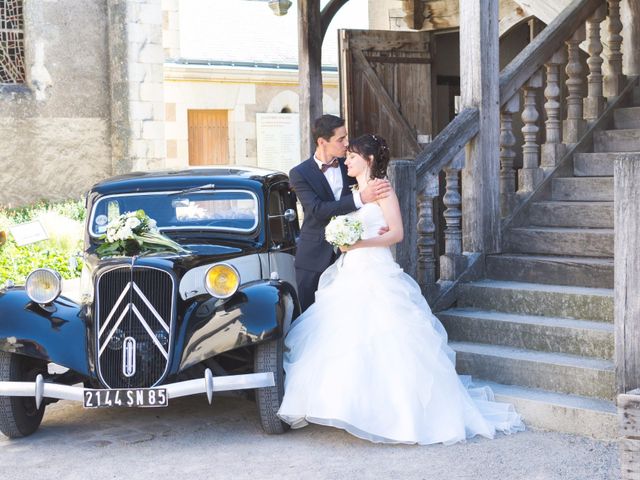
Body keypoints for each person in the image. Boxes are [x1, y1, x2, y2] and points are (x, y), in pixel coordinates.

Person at [278, 134, 525, 445]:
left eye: (352, 156)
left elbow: (397, 234)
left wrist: (358, 243)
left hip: (374, 268)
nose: (346, 161)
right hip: (352, 270)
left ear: (367, 160)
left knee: (386, 336)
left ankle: (396, 416)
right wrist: (345, 242)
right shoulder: (358, 190)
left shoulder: (383, 189)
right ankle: (352, 407)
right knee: (347, 338)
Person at [289, 115, 390, 312]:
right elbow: (317, 210)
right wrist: (361, 198)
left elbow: (377, 202)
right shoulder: (299, 173)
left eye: (346, 137)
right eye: (340, 139)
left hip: (354, 259)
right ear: (322, 142)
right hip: (313, 257)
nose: (347, 144)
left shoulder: (351, 166)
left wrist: (382, 223)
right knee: (309, 319)